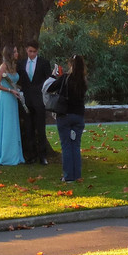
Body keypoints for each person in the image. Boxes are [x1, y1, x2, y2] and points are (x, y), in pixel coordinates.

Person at [47, 54, 87, 182]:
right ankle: (77, 175)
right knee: (75, 145)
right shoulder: (83, 81)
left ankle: (68, 176)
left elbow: (49, 88)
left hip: (65, 115)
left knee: (66, 146)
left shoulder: (65, 78)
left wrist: (54, 76)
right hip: (79, 115)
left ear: (71, 65)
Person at [18, 41, 56, 165]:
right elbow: (20, 80)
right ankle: (31, 155)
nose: (32, 54)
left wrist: (39, 90)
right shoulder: (21, 63)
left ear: (37, 51)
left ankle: (43, 156)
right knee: (28, 128)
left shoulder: (44, 63)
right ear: (26, 50)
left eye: (34, 51)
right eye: (30, 51)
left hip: (39, 100)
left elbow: (48, 80)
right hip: (27, 99)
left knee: (40, 128)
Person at [0, 45, 25, 166]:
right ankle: (6, 156)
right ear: (10, 53)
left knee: (13, 125)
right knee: (6, 125)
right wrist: (10, 90)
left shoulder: (14, 66)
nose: (17, 53)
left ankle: (15, 154)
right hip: (6, 98)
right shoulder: (3, 66)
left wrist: (17, 90)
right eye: (15, 51)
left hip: (13, 98)